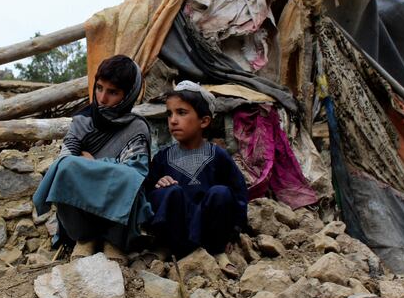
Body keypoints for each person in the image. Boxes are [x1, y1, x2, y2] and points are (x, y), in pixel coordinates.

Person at [33, 55, 153, 262]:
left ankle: (113, 242)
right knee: (66, 168)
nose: (102, 98)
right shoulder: (82, 121)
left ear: (129, 94)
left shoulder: (137, 128)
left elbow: (136, 172)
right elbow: (66, 158)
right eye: (99, 88)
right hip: (82, 214)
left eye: (113, 92)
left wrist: (93, 163)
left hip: (118, 216)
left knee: (128, 179)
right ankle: (84, 239)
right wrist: (105, 168)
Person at [144, 81, 248, 276]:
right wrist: (159, 187)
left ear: (204, 121)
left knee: (221, 193)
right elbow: (146, 195)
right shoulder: (161, 158)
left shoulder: (218, 155)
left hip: (209, 233)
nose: (173, 120)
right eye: (170, 114)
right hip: (175, 233)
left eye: (181, 113)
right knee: (170, 191)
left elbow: (239, 194)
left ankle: (217, 253)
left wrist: (233, 231)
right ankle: (164, 248)